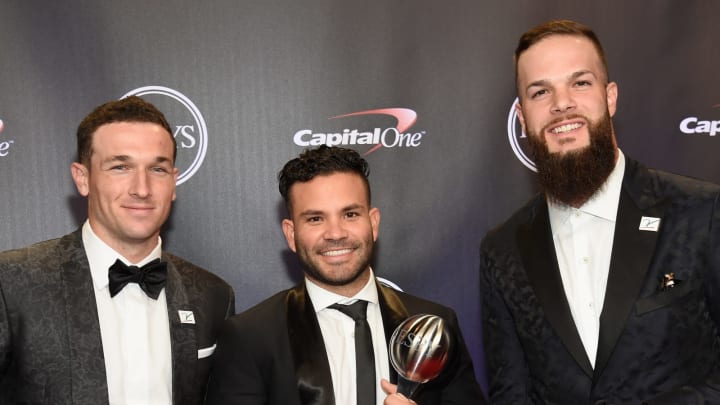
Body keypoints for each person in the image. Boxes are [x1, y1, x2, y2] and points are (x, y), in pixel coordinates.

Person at [479, 19, 720, 404]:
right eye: (540, 92)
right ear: (523, 120)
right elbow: (512, 394)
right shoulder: (502, 250)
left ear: (610, 97)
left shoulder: (700, 213)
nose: (562, 103)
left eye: (580, 83)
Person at [0, 96, 235, 404]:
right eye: (120, 167)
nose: (141, 188)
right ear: (83, 178)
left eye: (157, 169)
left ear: (174, 182)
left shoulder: (212, 295)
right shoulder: (13, 283)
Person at [206, 145, 485, 404]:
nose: (336, 233)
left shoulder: (432, 329)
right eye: (315, 218)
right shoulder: (251, 336)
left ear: (373, 223)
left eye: (350, 214)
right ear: (291, 234)